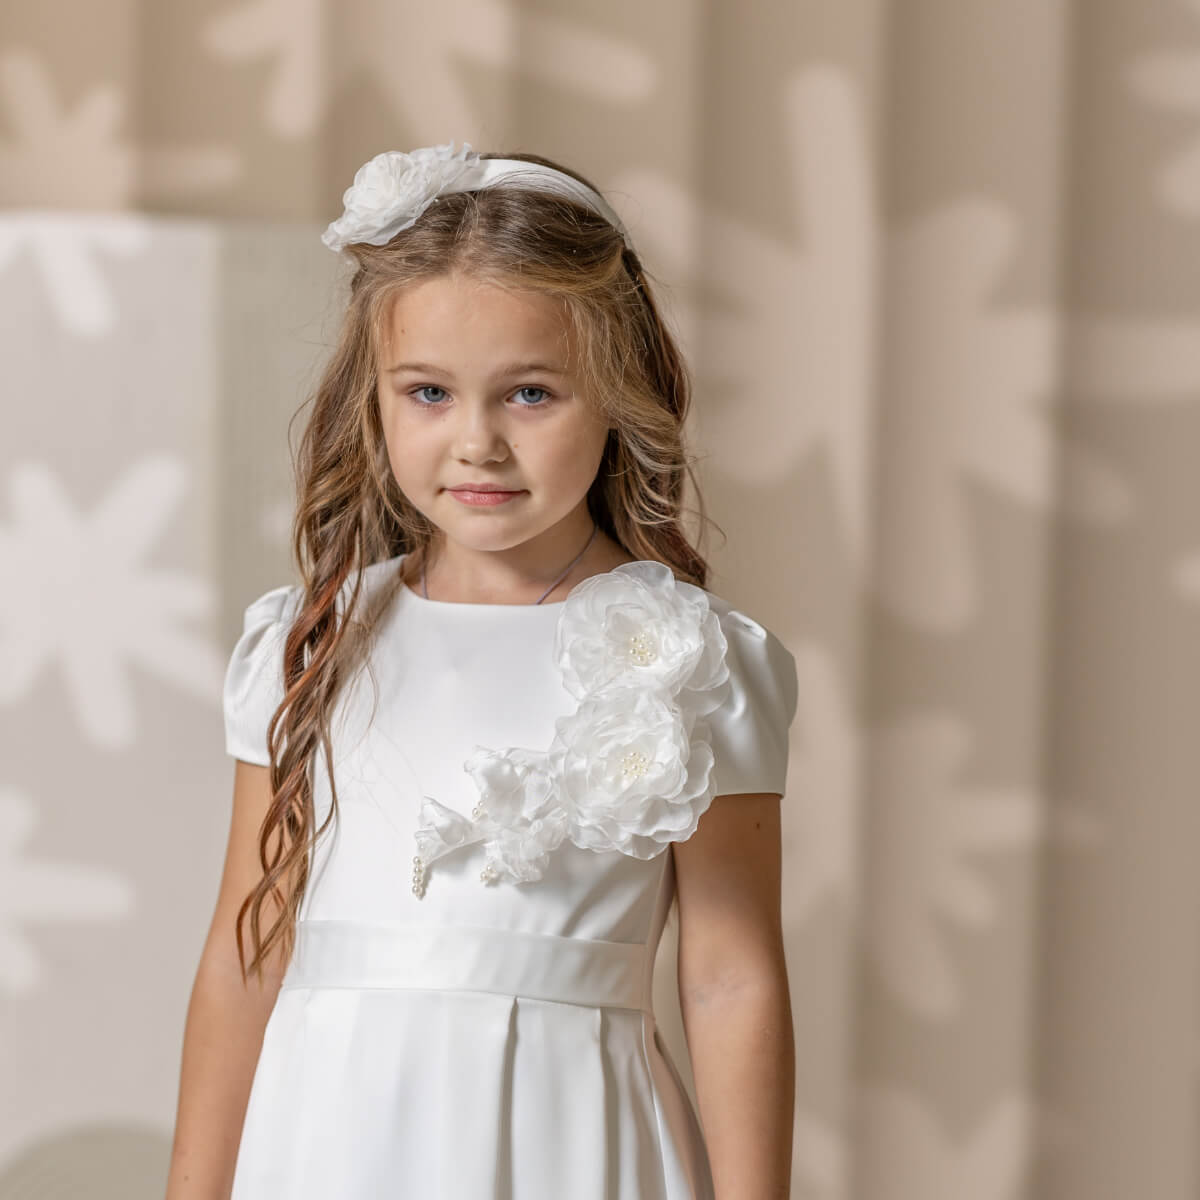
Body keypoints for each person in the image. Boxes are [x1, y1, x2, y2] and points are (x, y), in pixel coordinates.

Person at [166, 142, 800, 1200]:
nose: (477, 442)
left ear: (618, 393)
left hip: (570, 1142)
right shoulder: (308, 644)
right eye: (428, 392)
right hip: (327, 1138)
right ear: (372, 398)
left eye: (530, 394)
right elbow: (245, 959)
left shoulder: (697, 660)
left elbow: (732, 978)